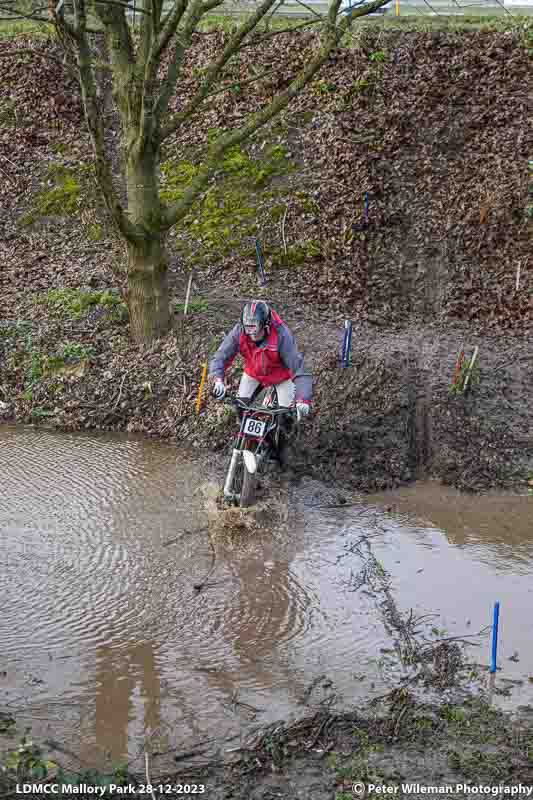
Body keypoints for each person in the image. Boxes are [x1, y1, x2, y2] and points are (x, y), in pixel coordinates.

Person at [209, 300, 312, 464]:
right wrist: (217, 380)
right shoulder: (239, 331)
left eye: (254, 329)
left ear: (266, 325)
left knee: (283, 419)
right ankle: (250, 440)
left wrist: (303, 400)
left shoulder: (282, 335)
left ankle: (278, 453)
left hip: (281, 377)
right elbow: (221, 357)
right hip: (254, 372)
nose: (251, 334)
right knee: (241, 406)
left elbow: (299, 370)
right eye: (247, 329)